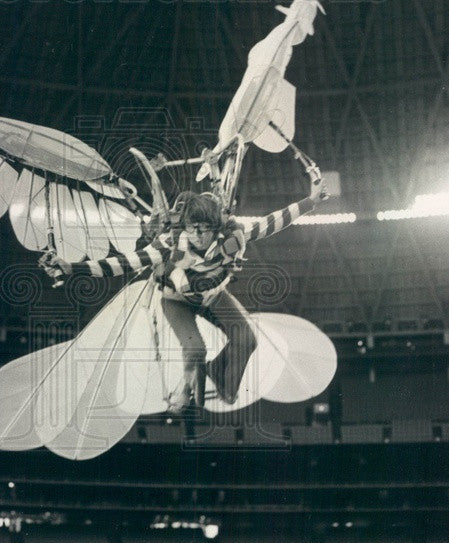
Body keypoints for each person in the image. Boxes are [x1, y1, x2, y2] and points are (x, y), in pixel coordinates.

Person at [42, 174, 328, 412]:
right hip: (177, 301)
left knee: (248, 339)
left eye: (206, 230)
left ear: (216, 229)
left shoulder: (232, 236)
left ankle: (221, 379)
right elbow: (123, 264)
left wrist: (311, 201)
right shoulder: (169, 242)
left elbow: (271, 222)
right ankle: (185, 393)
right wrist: (71, 268)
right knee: (196, 348)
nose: (200, 236)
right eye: (194, 229)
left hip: (212, 295)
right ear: (186, 226)